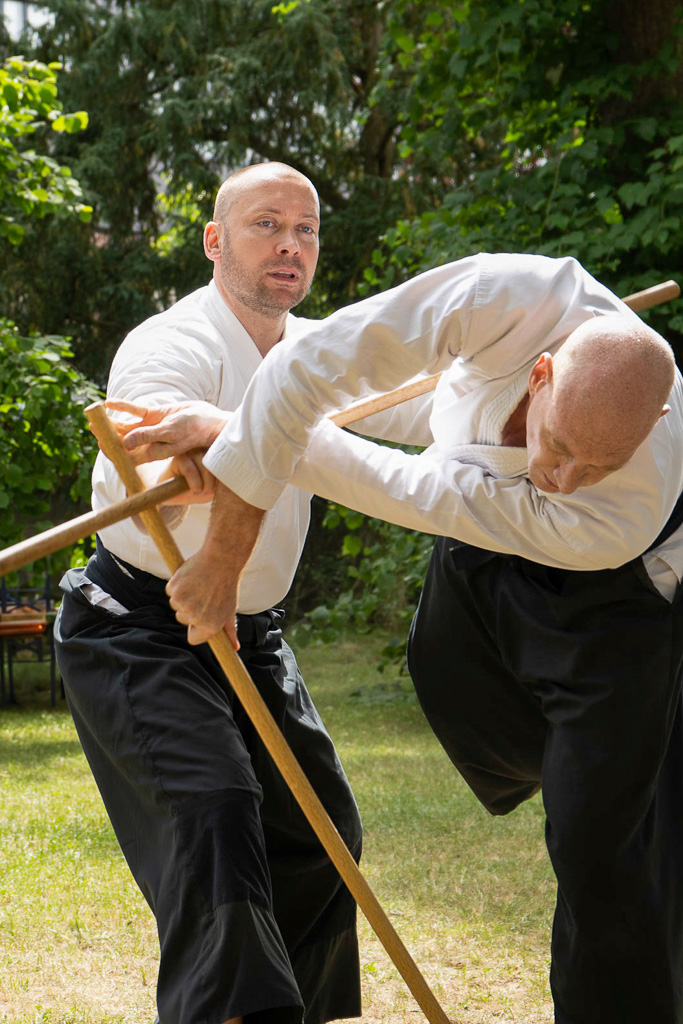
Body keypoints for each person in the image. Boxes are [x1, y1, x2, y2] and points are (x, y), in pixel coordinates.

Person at [152, 252, 683, 1023]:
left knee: (599, 845)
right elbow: (328, 375)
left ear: (654, 428)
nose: (565, 475)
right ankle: (547, 763)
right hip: (488, 565)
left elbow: (415, 488)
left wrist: (241, 446)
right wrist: (252, 431)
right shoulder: (505, 299)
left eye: (595, 465)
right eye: (560, 447)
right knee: (447, 676)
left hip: (626, 605)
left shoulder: (620, 507)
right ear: (540, 375)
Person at [54, 162, 370, 1024]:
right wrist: (186, 456)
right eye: (267, 225)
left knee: (322, 835)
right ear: (215, 240)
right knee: (216, 816)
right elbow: (149, 441)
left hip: (250, 629)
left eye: (305, 230)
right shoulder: (175, 339)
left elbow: (411, 413)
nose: (289, 246)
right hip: (138, 628)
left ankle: (293, 1013)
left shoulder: (316, 351)